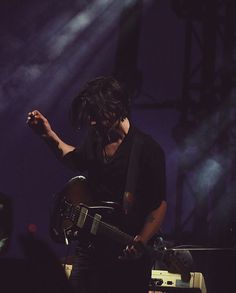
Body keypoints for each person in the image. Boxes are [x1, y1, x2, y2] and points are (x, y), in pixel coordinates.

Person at [27, 76, 167, 293]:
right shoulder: (96, 138)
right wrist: (48, 134)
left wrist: (142, 240)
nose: (91, 122)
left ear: (115, 108)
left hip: (126, 261)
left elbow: (158, 205)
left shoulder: (147, 150)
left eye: (96, 115)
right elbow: (74, 159)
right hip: (90, 253)